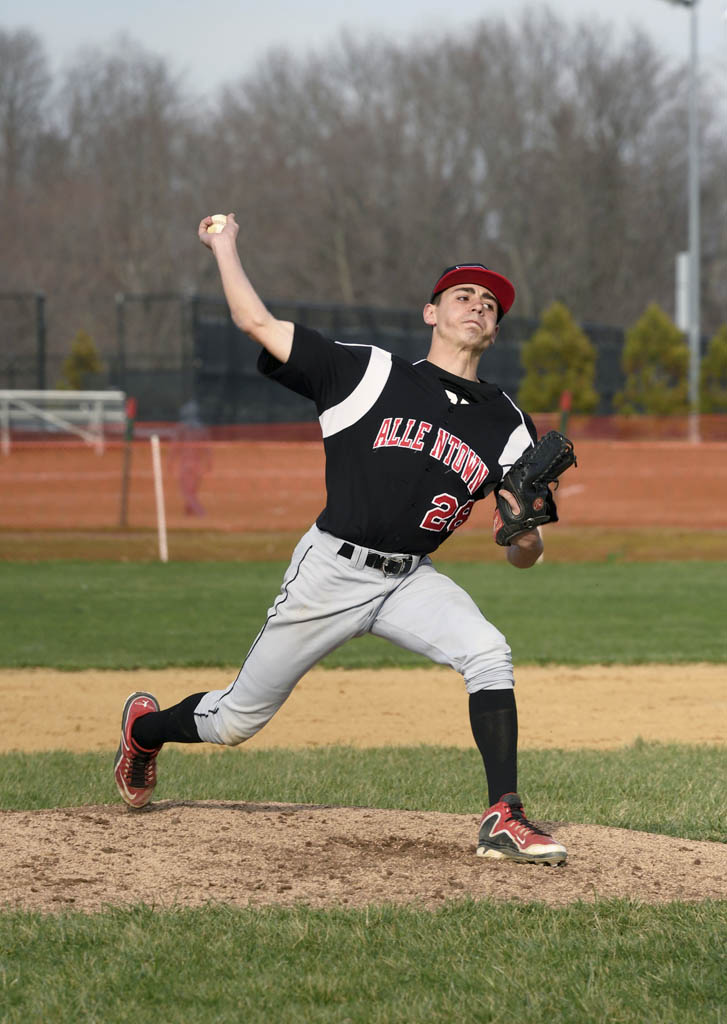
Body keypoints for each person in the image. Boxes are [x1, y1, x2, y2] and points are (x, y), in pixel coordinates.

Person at [113, 213, 567, 866]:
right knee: (238, 720)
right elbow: (256, 325)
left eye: (489, 303)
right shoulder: (370, 375)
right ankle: (145, 729)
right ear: (431, 313)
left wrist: (520, 530)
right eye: (462, 295)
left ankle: (504, 814)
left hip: (410, 578)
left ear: (494, 330)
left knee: (488, 653)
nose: (477, 306)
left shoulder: (511, 426)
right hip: (331, 570)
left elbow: (526, 554)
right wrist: (225, 245)